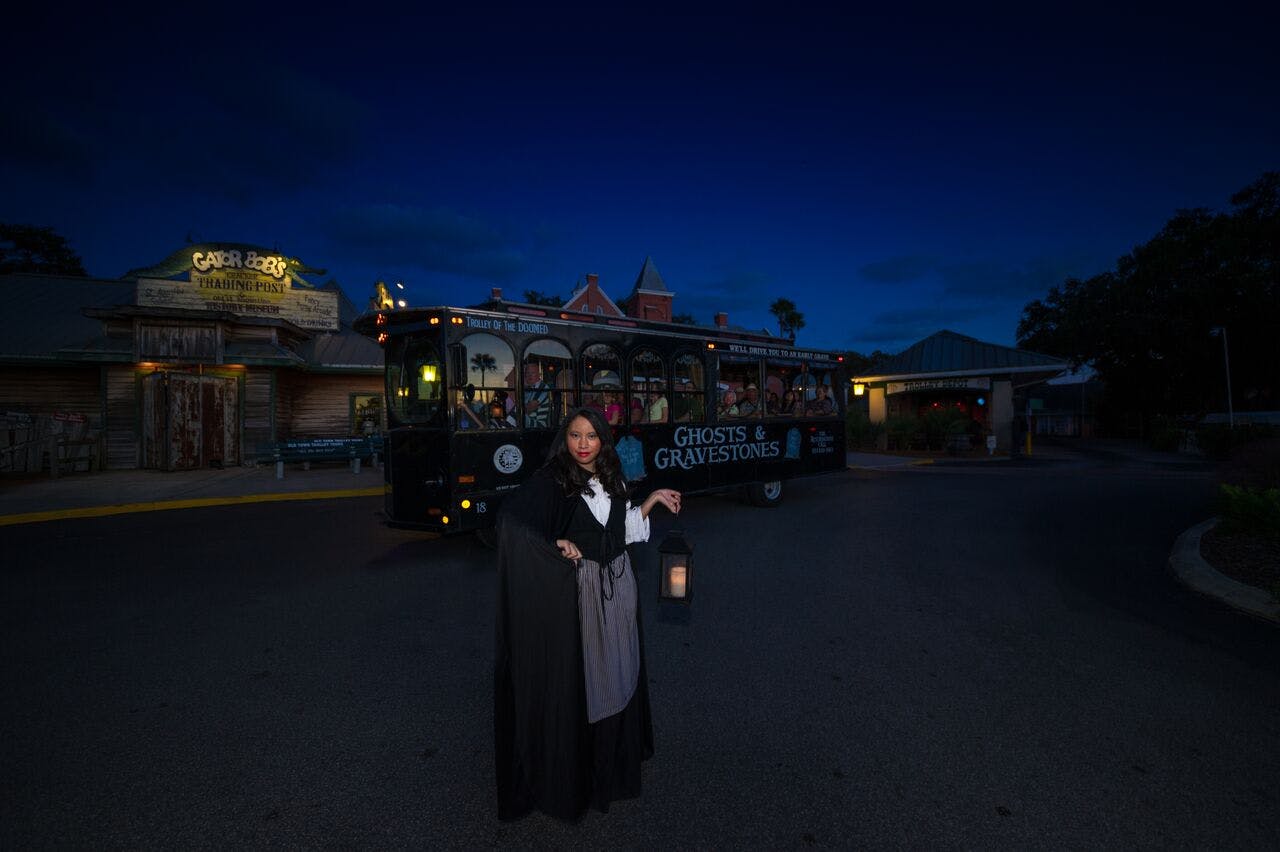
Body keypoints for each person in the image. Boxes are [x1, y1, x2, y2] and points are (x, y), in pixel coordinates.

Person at [494, 407, 681, 821]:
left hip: (621, 586)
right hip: (583, 591)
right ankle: (586, 775)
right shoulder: (553, 480)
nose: (582, 445)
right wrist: (555, 540)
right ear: (565, 439)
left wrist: (649, 501)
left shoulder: (614, 478)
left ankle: (614, 767)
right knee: (592, 683)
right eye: (575, 436)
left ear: (603, 440)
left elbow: (621, 531)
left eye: (591, 436)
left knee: (621, 672)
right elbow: (513, 521)